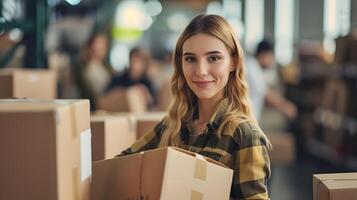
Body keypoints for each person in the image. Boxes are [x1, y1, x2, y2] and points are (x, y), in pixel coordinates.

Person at [118, 15, 271, 199]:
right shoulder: (172, 125)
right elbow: (121, 164)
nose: (201, 71)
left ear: (233, 62)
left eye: (213, 58)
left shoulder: (243, 134)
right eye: (190, 59)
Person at [246, 40, 297, 122]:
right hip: (246, 119)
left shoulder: (254, 67)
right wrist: (286, 106)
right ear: (264, 55)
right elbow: (266, 92)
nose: (272, 60)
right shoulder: (252, 67)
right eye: (271, 56)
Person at [75, 32, 114, 110]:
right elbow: (99, 94)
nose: (103, 48)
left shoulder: (103, 66)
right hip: (97, 109)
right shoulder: (89, 69)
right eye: (99, 45)